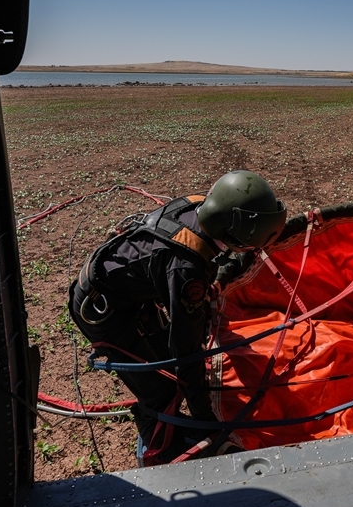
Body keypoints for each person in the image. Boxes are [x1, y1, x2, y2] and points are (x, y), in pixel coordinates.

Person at [69, 170, 287, 464]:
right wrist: (208, 423)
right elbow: (185, 352)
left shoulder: (200, 205)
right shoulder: (187, 270)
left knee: (168, 374)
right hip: (105, 311)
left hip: (130, 294)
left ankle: (171, 427)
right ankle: (160, 457)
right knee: (160, 392)